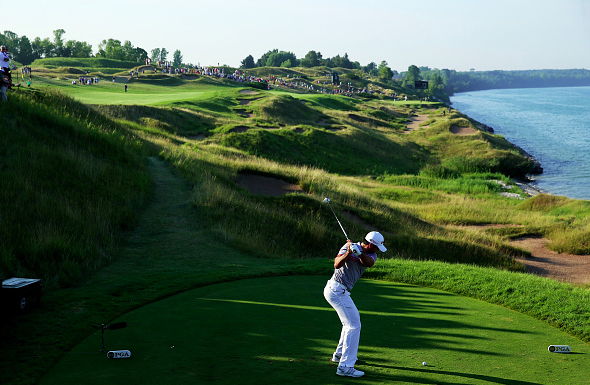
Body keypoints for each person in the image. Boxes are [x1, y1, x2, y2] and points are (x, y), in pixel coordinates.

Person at [324, 231, 387, 378]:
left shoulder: (372, 255)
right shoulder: (347, 247)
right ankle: (345, 367)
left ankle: (339, 355)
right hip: (335, 289)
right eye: (377, 247)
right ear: (371, 244)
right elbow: (336, 264)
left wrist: (359, 254)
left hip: (341, 290)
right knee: (354, 325)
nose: (378, 250)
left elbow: (368, 263)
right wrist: (348, 252)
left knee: (349, 324)